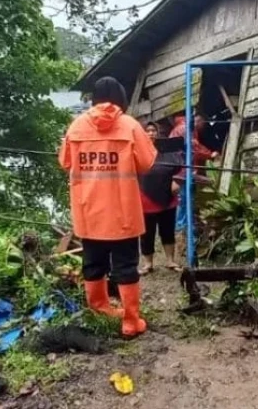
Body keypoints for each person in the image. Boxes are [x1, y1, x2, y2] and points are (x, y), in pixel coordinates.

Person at [59, 76, 157, 338]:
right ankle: (130, 321)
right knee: (125, 266)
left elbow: (65, 162)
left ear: (93, 98)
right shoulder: (130, 126)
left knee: (93, 264)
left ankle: (99, 309)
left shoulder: (76, 126)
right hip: (122, 212)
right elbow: (147, 164)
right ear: (121, 97)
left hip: (88, 211)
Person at [138, 122, 185, 274]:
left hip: (168, 197)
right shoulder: (137, 150)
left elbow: (182, 167)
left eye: (153, 130)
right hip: (146, 198)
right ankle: (147, 264)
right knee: (147, 232)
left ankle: (170, 261)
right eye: (148, 130)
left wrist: (177, 180)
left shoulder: (168, 149)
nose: (151, 133)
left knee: (167, 230)